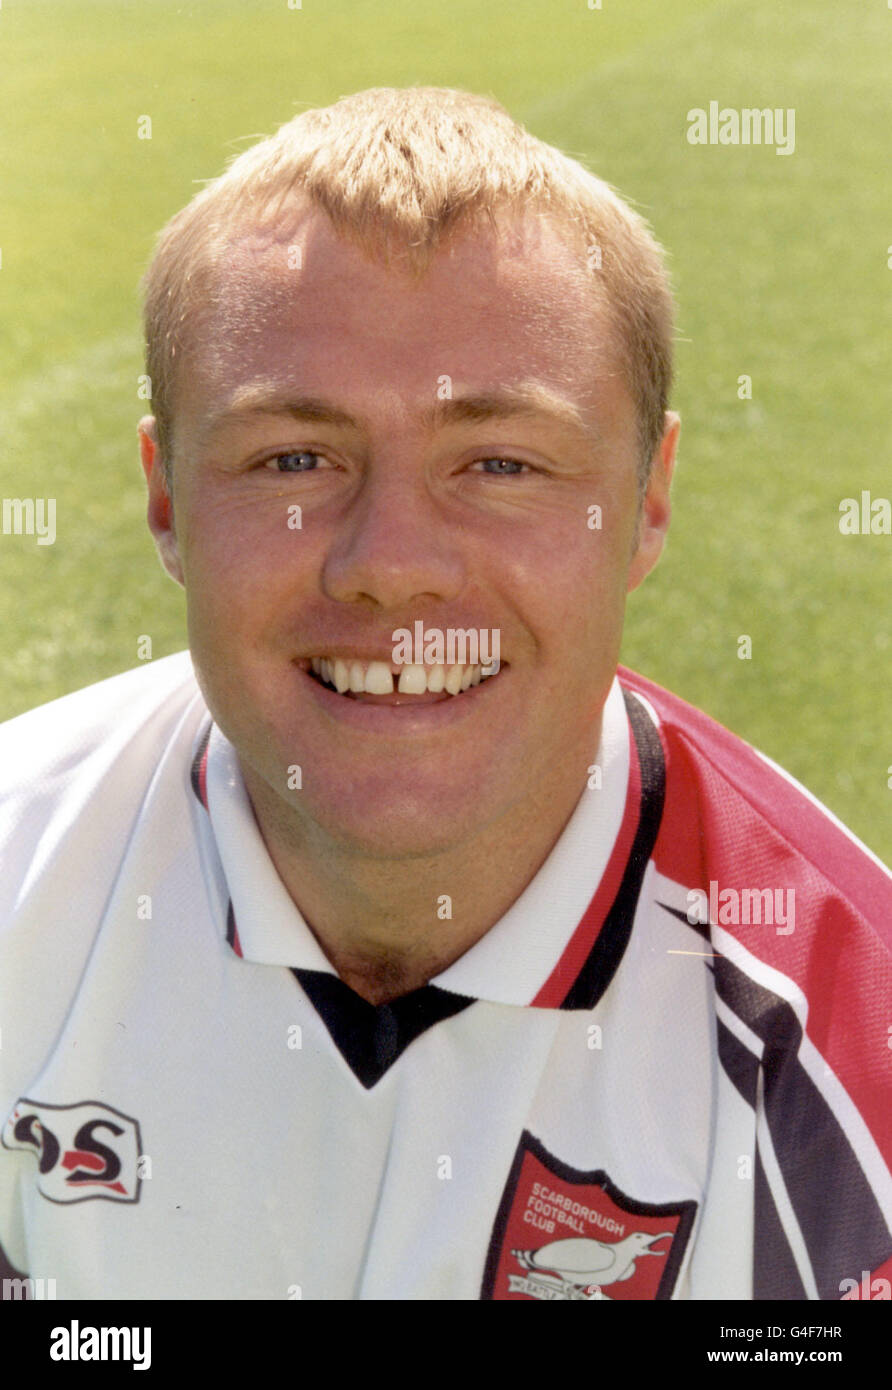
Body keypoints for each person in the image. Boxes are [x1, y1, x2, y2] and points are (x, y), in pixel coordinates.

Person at [1, 86, 889, 1303]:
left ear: (646, 499)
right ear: (166, 500)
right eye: (294, 458)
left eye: (501, 462)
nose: (392, 566)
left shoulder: (845, 1045)